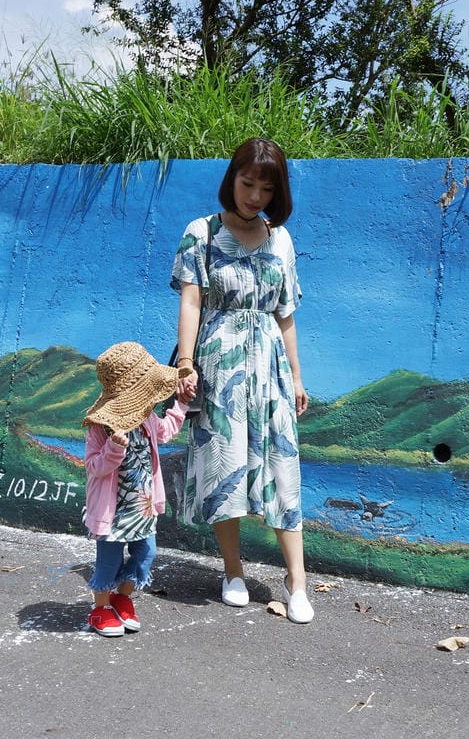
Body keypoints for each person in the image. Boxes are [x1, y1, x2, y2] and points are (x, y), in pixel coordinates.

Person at [171, 137, 313, 624]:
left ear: (278, 193)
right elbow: (191, 302)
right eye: (247, 182)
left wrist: (296, 377)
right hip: (219, 363)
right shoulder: (201, 233)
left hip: (270, 365)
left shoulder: (283, 241)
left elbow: (286, 314)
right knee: (223, 464)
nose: (254, 195)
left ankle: (296, 578)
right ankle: (232, 570)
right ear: (231, 179)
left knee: (281, 466)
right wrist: (186, 362)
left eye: (266, 188)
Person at [81, 341, 193, 636]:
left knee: (146, 554)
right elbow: (93, 467)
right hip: (112, 514)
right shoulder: (99, 428)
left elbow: (166, 432)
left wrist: (180, 405)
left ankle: (122, 598)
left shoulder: (146, 419)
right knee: (109, 562)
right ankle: (100, 609)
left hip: (142, 510)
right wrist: (113, 450)